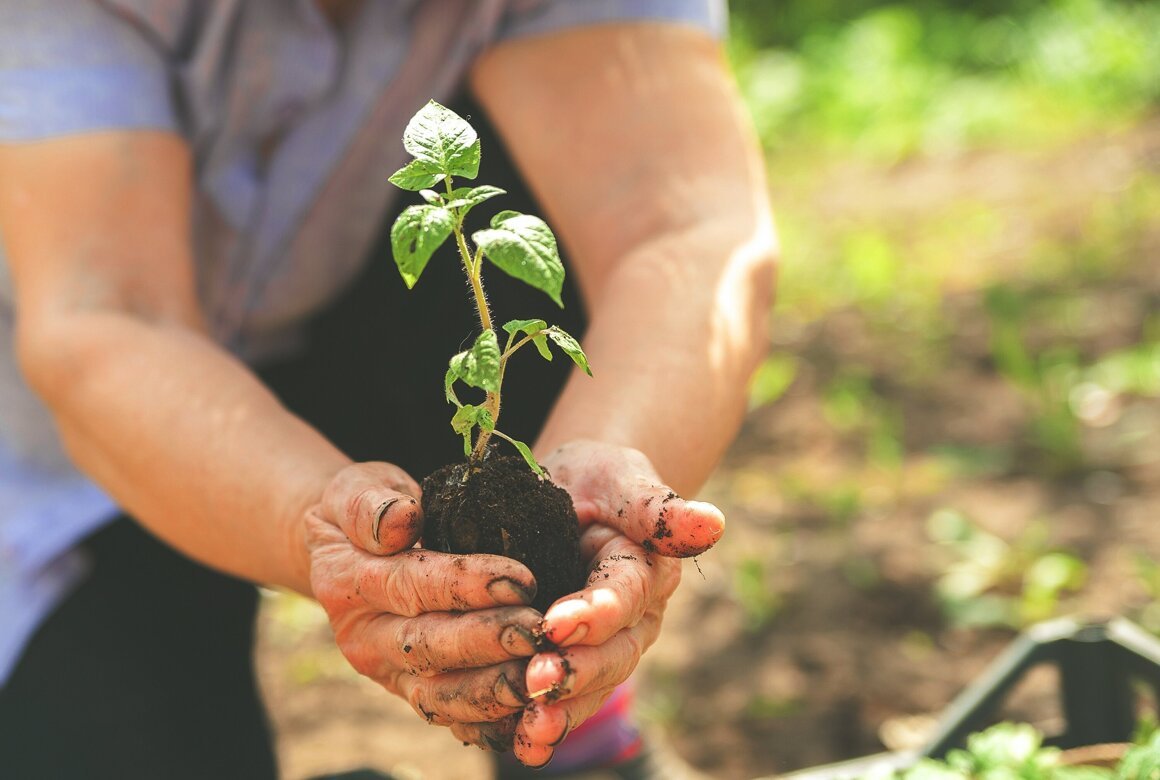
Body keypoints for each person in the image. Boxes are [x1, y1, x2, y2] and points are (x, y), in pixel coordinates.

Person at [0, 1, 776, 778]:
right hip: (50, 457)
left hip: (317, 338)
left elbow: (681, 230)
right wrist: (313, 523)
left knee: (568, 156)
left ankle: (565, 706)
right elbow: (111, 316)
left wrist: (620, 449)